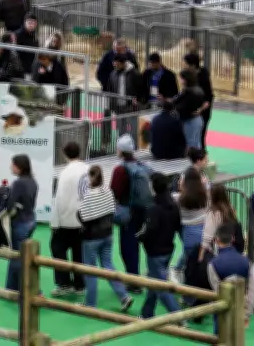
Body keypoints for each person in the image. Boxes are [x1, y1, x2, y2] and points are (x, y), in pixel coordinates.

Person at [78, 165, 135, 311]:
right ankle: (124, 296)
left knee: (90, 270)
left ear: (90, 178)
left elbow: (83, 217)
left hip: (91, 238)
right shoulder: (108, 191)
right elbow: (112, 211)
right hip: (108, 234)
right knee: (108, 266)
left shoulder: (89, 195)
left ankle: (90, 304)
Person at [136, 172, 182, 319]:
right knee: (154, 281)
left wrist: (140, 237)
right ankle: (147, 313)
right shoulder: (173, 206)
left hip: (155, 252)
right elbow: (176, 226)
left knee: (161, 288)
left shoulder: (154, 209)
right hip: (168, 249)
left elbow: (149, 230)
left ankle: (179, 317)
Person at [109, 134, 149, 293]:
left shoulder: (120, 170)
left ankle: (133, 281)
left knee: (128, 247)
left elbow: (115, 192)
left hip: (127, 213)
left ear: (120, 150)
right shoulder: (141, 165)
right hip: (143, 211)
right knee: (140, 245)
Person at [50, 142, 89, 297]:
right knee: (79, 253)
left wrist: (55, 223)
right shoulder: (87, 169)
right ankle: (80, 285)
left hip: (67, 220)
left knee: (58, 250)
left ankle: (64, 283)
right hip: (85, 220)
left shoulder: (65, 173)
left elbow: (59, 199)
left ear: (64, 153)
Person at [4, 154, 39, 291]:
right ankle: (11, 287)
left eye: (12, 165)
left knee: (17, 257)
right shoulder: (33, 181)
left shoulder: (18, 183)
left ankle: (24, 289)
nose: (10, 167)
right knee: (21, 255)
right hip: (30, 220)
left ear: (19, 167)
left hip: (20, 223)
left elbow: (9, 205)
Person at [208, 223, 250, 332]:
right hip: (240, 306)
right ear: (233, 239)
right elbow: (249, 286)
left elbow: (216, 288)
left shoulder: (213, 264)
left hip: (221, 307)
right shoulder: (246, 261)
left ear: (216, 240)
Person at [99, 54, 145, 150]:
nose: (115, 66)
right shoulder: (113, 74)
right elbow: (110, 90)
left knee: (133, 131)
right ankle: (121, 151)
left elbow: (142, 89)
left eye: (117, 64)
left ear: (123, 63)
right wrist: (111, 105)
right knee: (121, 131)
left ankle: (134, 150)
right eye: (114, 65)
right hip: (119, 108)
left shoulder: (135, 74)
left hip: (131, 108)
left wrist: (139, 101)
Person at [173, 167, 208, 277]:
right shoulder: (206, 195)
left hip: (188, 232)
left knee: (190, 257)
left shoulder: (178, 198)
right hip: (204, 229)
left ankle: (180, 271)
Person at [200, 184, 244, 262]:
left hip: (220, 251)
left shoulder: (213, 213)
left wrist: (200, 256)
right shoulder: (230, 208)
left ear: (213, 196)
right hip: (233, 249)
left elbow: (207, 237)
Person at [183, 54, 213, 150]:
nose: (184, 65)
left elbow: (208, 97)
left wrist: (200, 110)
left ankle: (202, 155)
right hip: (192, 110)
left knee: (200, 135)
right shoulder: (188, 76)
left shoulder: (203, 76)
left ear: (192, 65)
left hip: (202, 111)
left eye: (185, 63)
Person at [172, 68, 205, 150]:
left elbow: (182, 107)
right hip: (197, 120)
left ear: (186, 79)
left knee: (190, 145)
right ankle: (200, 160)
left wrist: (172, 108)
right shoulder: (197, 89)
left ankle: (192, 162)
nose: (180, 80)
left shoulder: (189, 92)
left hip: (190, 121)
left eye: (181, 78)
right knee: (197, 143)